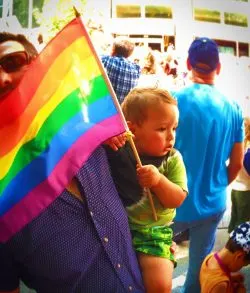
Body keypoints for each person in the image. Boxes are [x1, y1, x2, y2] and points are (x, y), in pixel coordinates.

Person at [0, 32, 145, 292]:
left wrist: (152, 246)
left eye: (12, 62)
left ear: (37, 65)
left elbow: (133, 203)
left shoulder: (93, 132)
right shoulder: (3, 191)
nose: (2, 79)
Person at [171, 37, 244, 293]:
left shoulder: (172, 99)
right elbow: (236, 163)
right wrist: (215, 184)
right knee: (197, 270)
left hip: (173, 203)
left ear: (189, 63)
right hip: (212, 203)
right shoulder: (234, 108)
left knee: (151, 260)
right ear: (219, 67)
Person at [105, 87, 188, 292]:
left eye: (174, 128)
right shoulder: (120, 150)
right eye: (162, 129)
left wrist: (158, 180)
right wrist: (108, 137)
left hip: (154, 232)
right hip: (117, 226)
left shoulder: (173, 159)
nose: (171, 136)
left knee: (160, 285)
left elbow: (176, 199)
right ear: (132, 129)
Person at [200, 221, 250, 293]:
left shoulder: (210, 257)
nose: (242, 267)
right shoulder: (220, 285)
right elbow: (216, 283)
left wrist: (231, 278)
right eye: (244, 264)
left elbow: (209, 279)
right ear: (239, 257)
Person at [101, 36, 140, 103]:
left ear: (113, 49)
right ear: (130, 54)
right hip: (121, 111)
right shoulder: (136, 69)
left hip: (103, 109)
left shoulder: (105, 60)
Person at [228, 117, 250, 233]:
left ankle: (232, 240)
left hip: (235, 188)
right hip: (246, 192)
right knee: (244, 220)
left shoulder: (236, 149)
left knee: (235, 216)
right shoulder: (248, 152)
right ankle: (239, 246)